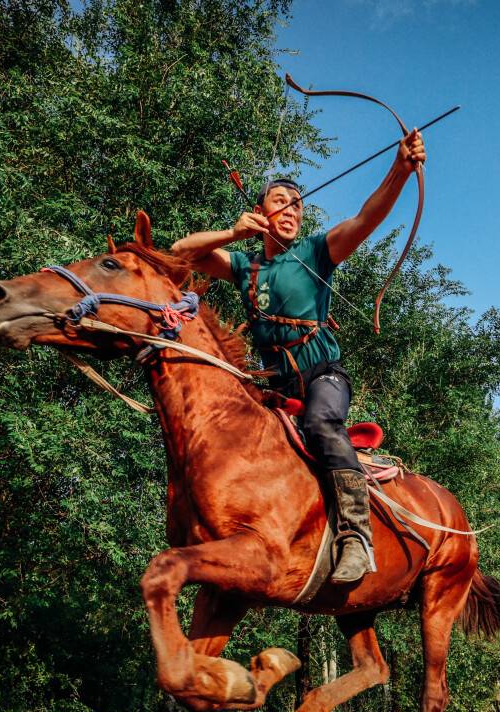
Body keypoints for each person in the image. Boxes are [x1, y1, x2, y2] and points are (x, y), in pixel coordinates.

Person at [170, 129, 426, 583]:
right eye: (280, 202)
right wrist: (233, 232)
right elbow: (179, 254)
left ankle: (356, 536)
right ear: (260, 211)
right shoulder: (245, 265)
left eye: (297, 205)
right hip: (275, 386)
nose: (290, 211)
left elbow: (367, 217)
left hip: (323, 376)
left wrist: (400, 169)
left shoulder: (316, 252)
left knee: (322, 424)